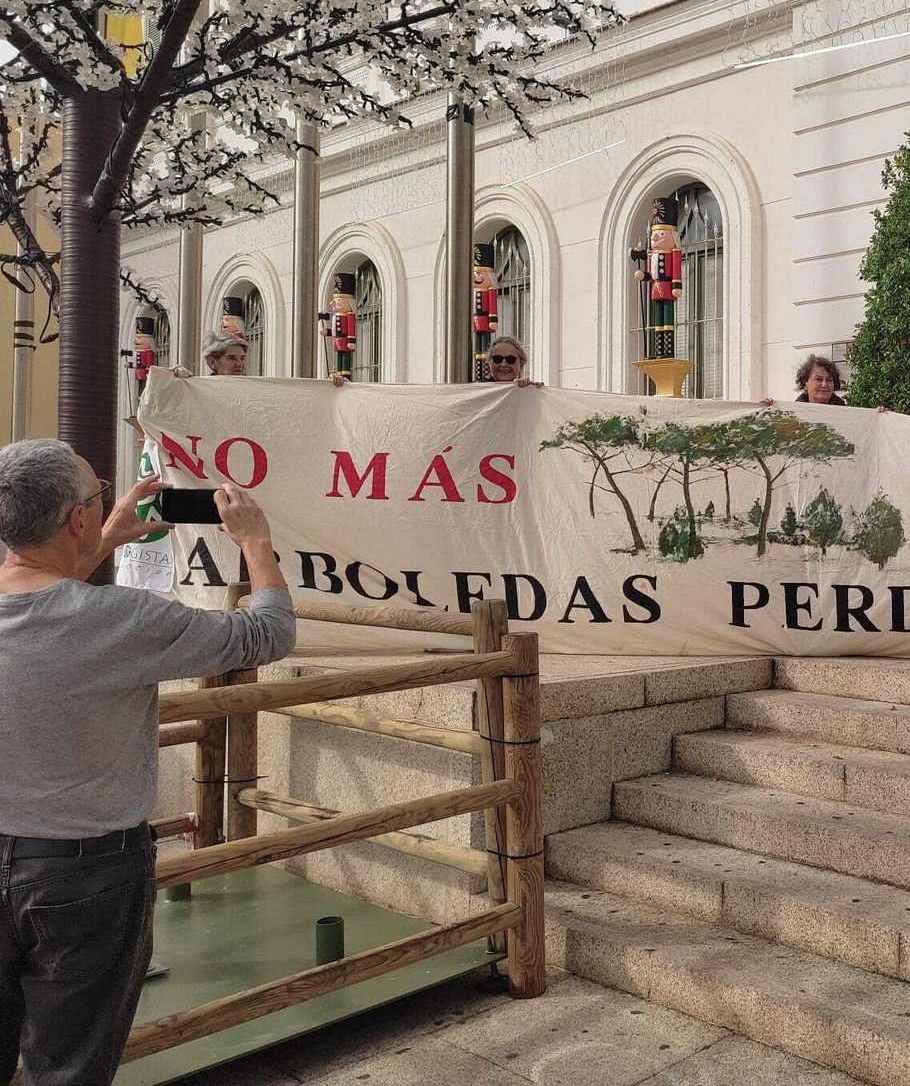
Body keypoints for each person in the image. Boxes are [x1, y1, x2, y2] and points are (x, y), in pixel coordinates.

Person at [0, 439, 296, 1086]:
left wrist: (102, 541)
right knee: (70, 1066)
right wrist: (256, 543)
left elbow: (43, 603)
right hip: (85, 875)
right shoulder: (121, 620)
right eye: (98, 492)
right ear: (76, 518)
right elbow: (266, 634)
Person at [331, 336, 539, 387]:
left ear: (521, 363)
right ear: (489, 363)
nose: (504, 364)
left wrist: (534, 392)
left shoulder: (531, 394)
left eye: (510, 359)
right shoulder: (473, 391)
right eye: (497, 358)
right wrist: (347, 388)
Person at [171, 329, 249, 379]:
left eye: (242, 358)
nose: (239, 364)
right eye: (232, 358)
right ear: (212, 362)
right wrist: (178, 380)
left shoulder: (254, 387)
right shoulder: (200, 389)